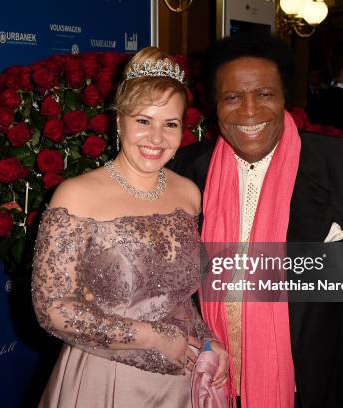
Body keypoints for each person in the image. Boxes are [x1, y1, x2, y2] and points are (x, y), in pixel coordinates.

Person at [169, 34, 343, 408]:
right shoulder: (189, 168)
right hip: (211, 384)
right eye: (233, 97)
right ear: (215, 105)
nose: (250, 110)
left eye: (265, 94)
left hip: (308, 386)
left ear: (285, 97)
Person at [32, 47, 228, 408]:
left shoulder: (188, 193)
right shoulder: (76, 195)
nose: (157, 138)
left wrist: (206, 340)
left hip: (180, 383)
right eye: (143, 121)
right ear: (118, 120)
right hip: (105, 378)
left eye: (170, 124)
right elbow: (52, 309)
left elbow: (180, 297)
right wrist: (151, 338)